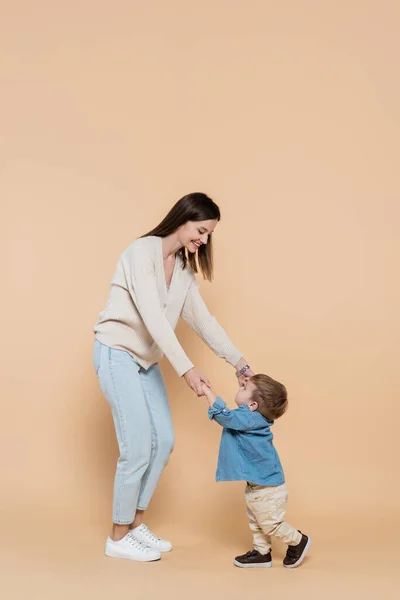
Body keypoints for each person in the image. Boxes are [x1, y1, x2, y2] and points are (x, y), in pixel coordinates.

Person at [93, 192, 254, 562]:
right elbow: (152, 317)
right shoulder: (141, 253)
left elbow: (204, 322)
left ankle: (134, 525)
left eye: (209, 234)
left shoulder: (182, 271)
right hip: (116, 352)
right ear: (182, 220)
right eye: (201, 230)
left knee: (162, 441)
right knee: (135, 447)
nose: (204, 239)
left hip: (145, 362)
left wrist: (240, 363)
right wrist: (187, 370)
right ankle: (117, 536)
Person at [201, 375, 312, 569]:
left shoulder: (249, 418)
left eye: (244, 388)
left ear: (252, 405)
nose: (241, 386)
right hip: (259, 483)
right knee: (257, 520)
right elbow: (244, 406)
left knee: (270, 524)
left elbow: (224, 416)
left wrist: (208, 393)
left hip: (268, 487)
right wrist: (248, 385)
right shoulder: (253, 416)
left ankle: (298, 541)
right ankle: (262, 553)